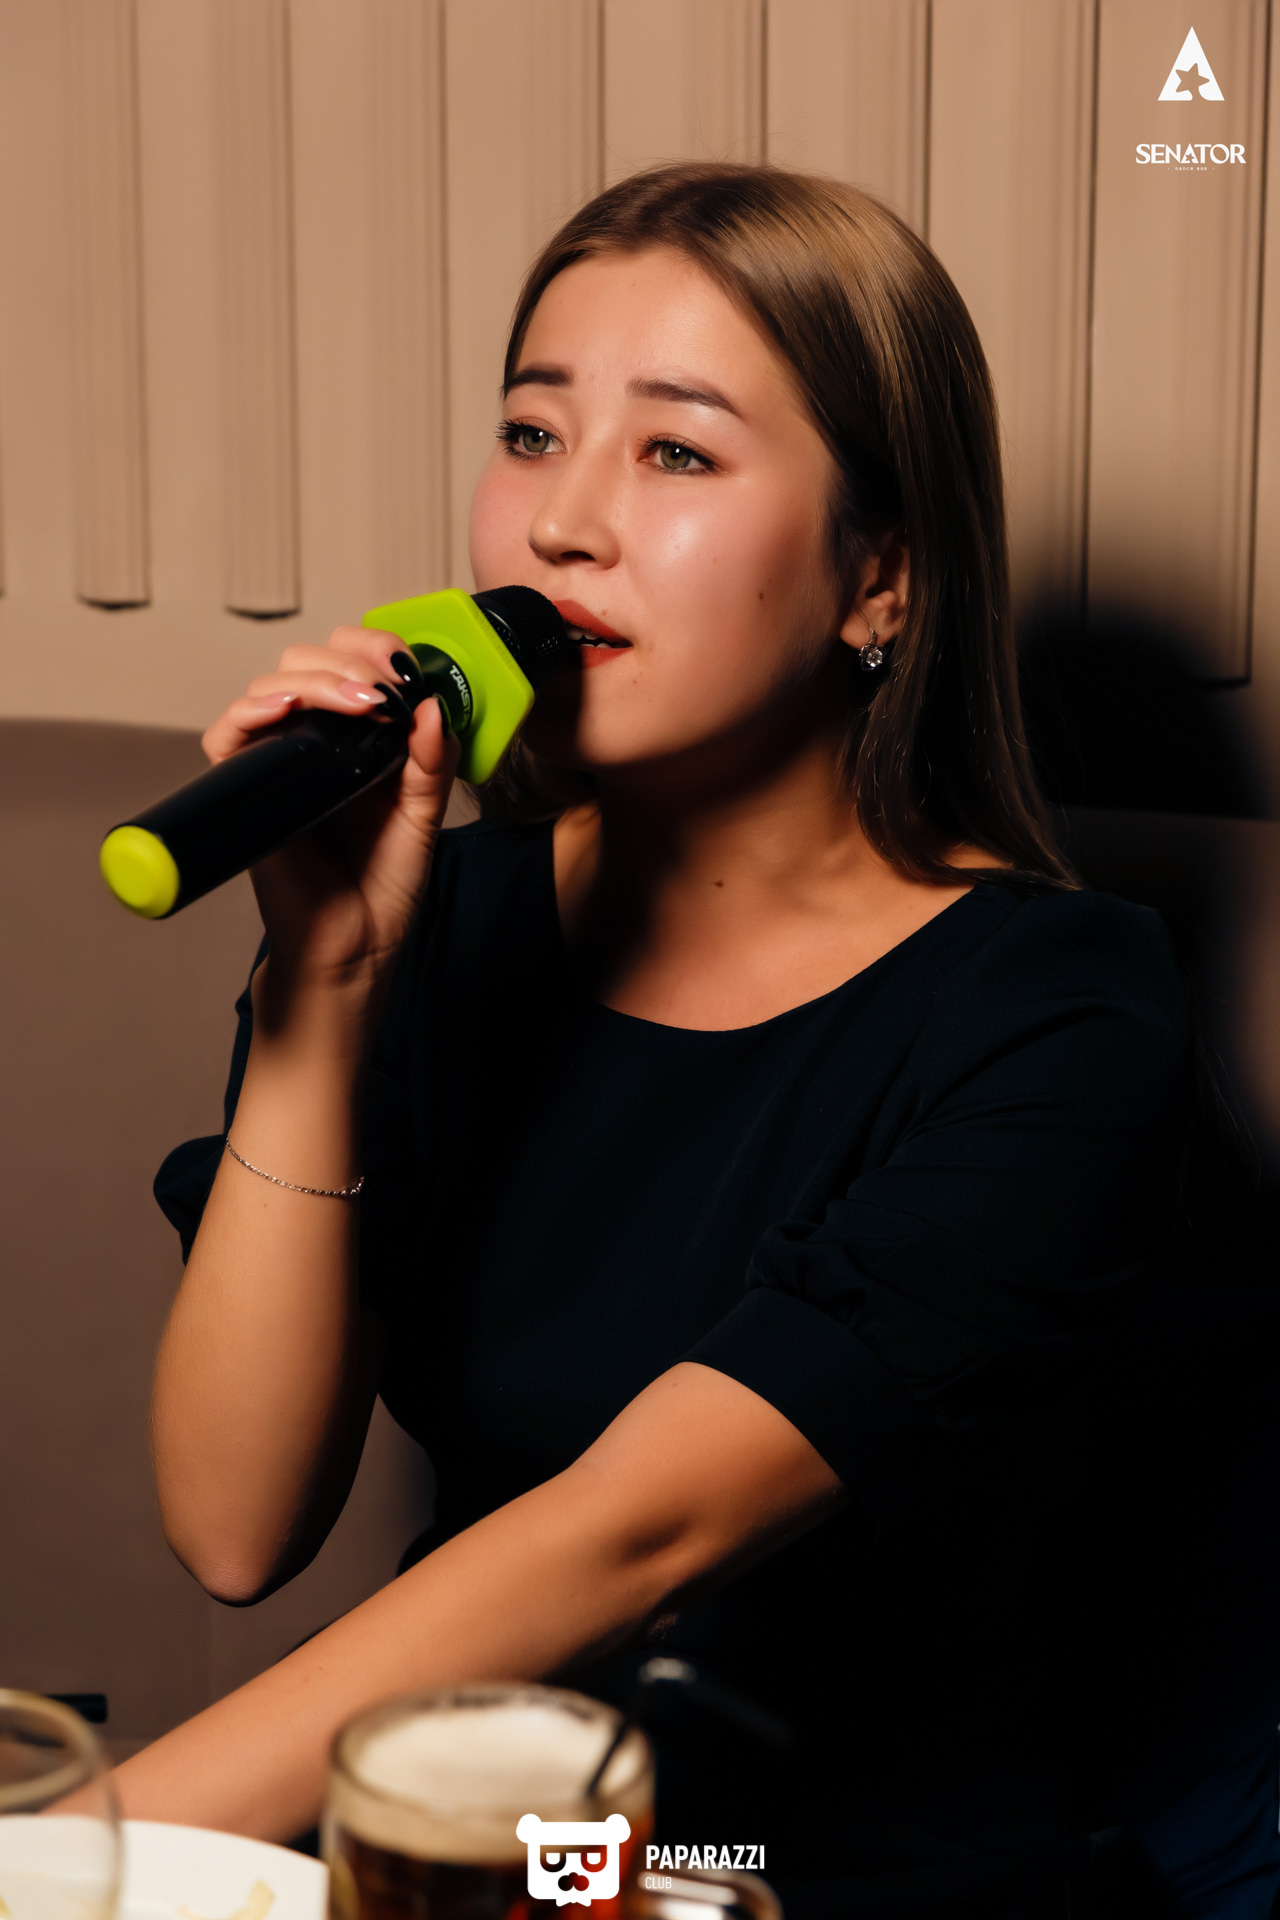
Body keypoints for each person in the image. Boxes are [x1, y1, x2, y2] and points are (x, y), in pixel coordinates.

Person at [112, 164, 1280, 1918]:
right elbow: (233, 1524)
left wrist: (83, 1846)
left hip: (848, 1878)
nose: (564, 523)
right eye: (531, 434)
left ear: (880, 580)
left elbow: (635, 1531)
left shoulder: (1061, 1016)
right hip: (503, 1837)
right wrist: (322, 990)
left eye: (675, 451)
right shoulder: (436, 920)